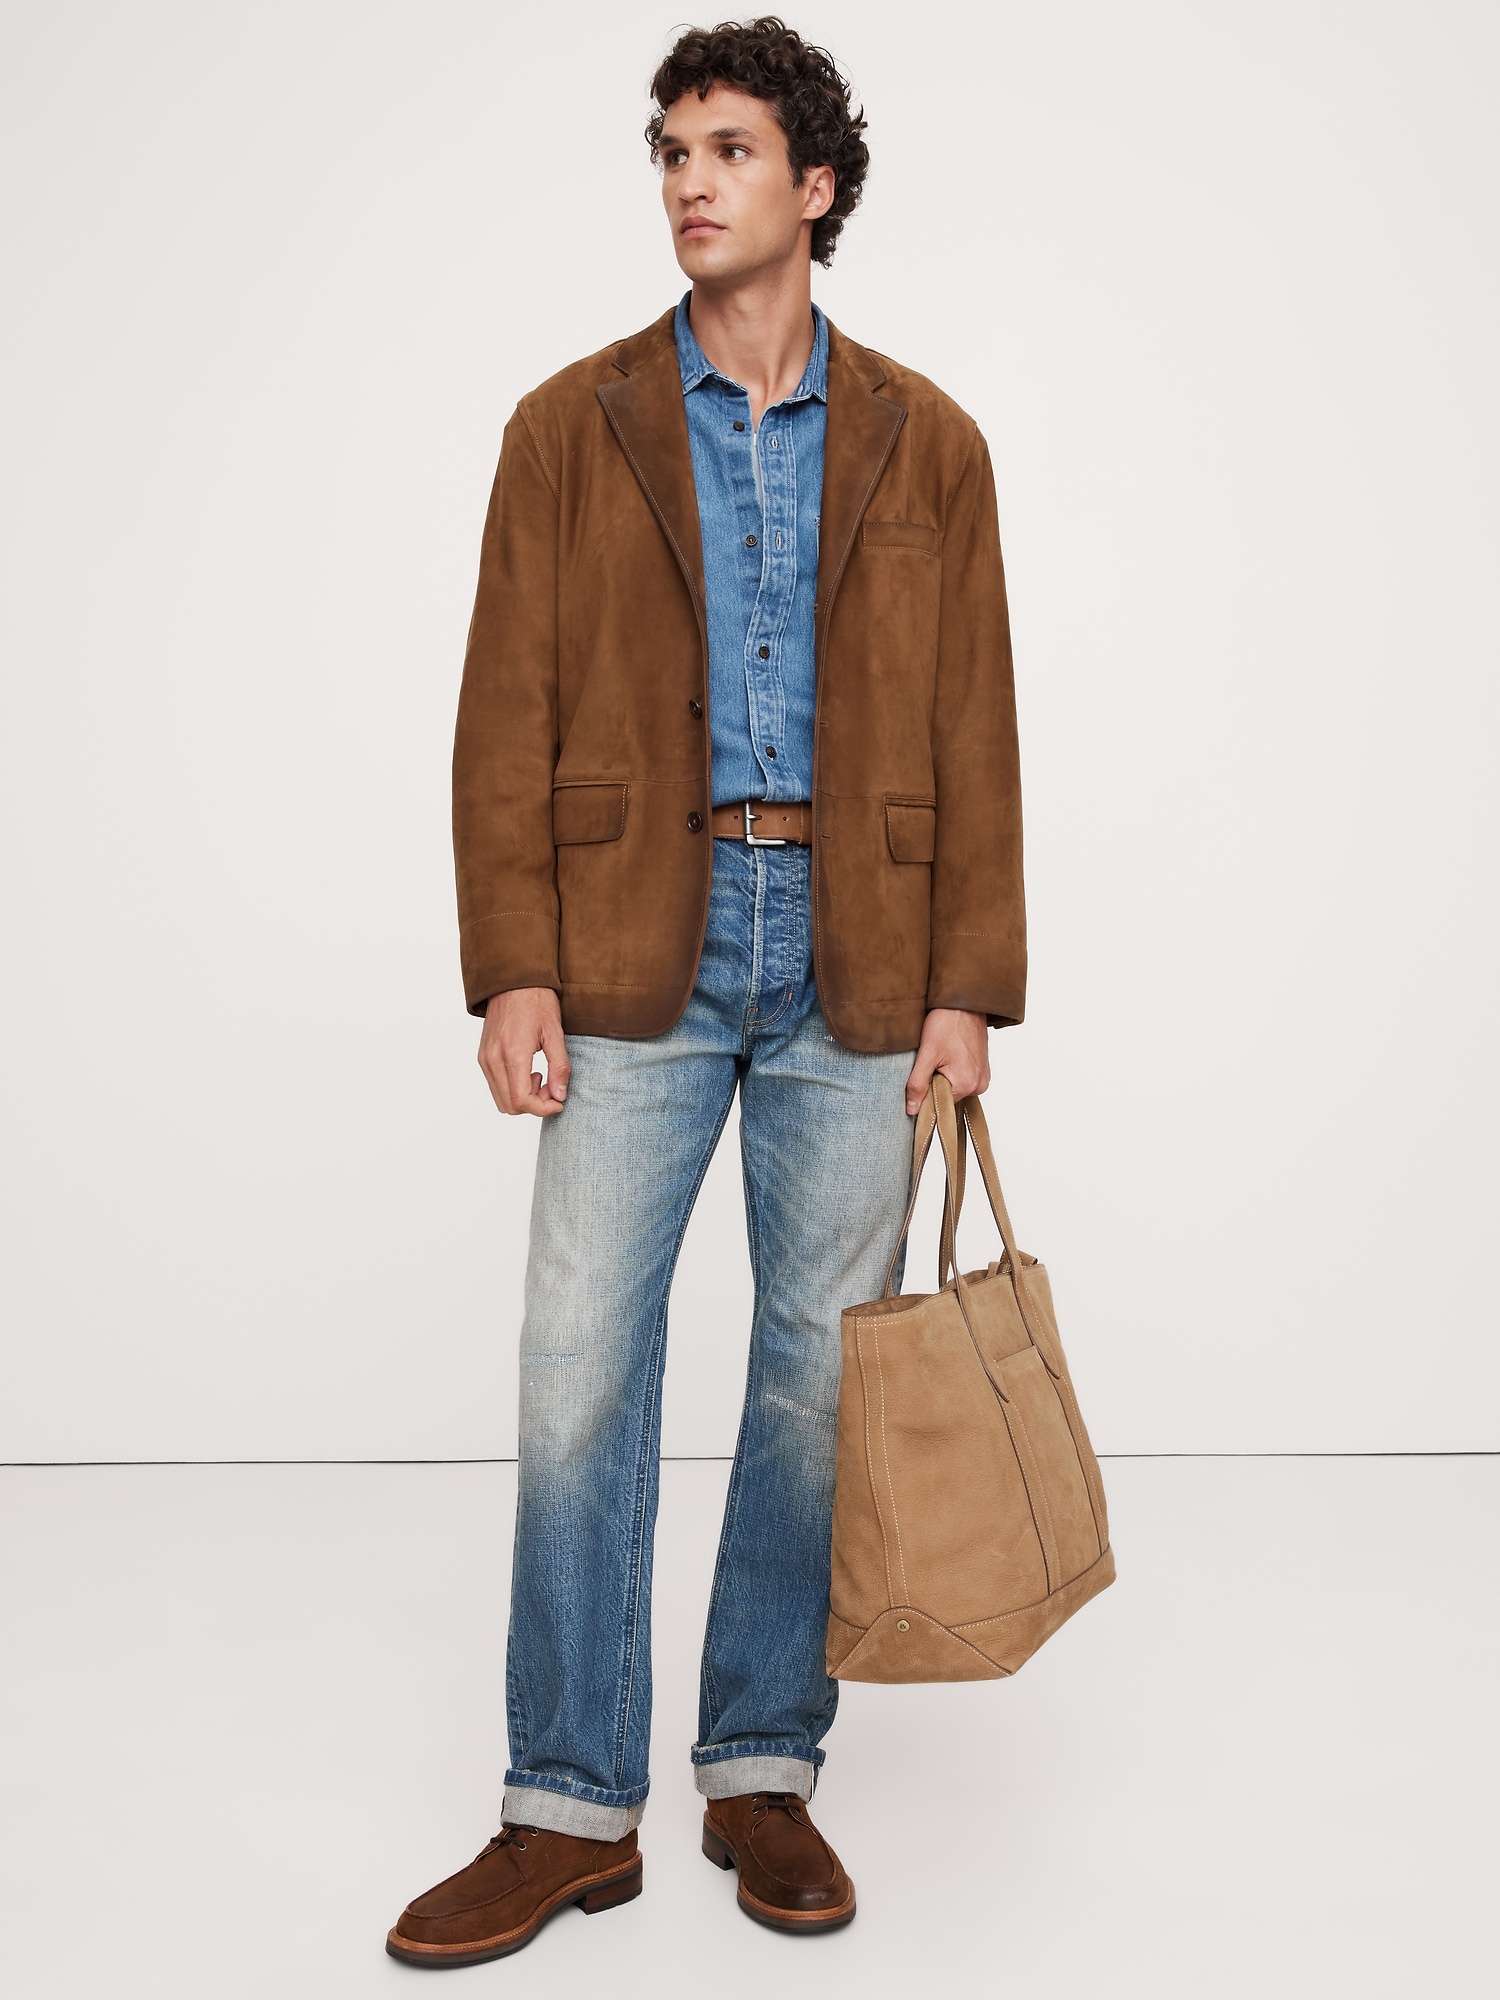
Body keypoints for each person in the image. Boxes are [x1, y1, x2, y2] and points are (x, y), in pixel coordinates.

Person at [387, 14, 1024, 1968]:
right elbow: (502, 713)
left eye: (730, 149)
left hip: (857, 943)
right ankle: (568, 1805)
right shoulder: (565, 426)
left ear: (813, 187)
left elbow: (979, 723)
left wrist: (969, 984)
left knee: (816, 1380)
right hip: (630, 938)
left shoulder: (928, 439)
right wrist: (511, 961)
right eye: (672, 150)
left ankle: (761, 1766)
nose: (689, 180)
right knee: (579, 1365)